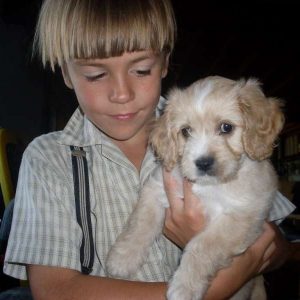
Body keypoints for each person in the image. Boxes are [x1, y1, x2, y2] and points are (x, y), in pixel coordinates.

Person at [3, 0, 296, 299]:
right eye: (95, 75)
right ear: (66, 73)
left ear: (164, 62)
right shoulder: (47, 159)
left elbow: (280, 244)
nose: (121, 94)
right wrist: (216, 288)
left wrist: (246, 253)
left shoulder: (226, 140)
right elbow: (53, 292)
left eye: (142, 70)